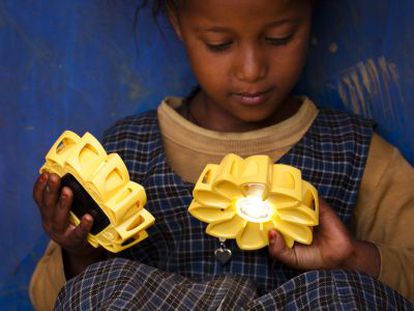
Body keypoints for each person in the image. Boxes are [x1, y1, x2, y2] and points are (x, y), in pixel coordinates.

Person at [30, 0, 414, 310]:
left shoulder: (357, 154)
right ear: (178, 22)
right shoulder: (117, 160)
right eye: (219, 43)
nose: (251, 70)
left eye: (279, 37)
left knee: (347, 296)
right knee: (103, 285)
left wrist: (352, 261)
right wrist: (79, 251)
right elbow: (52, 300)